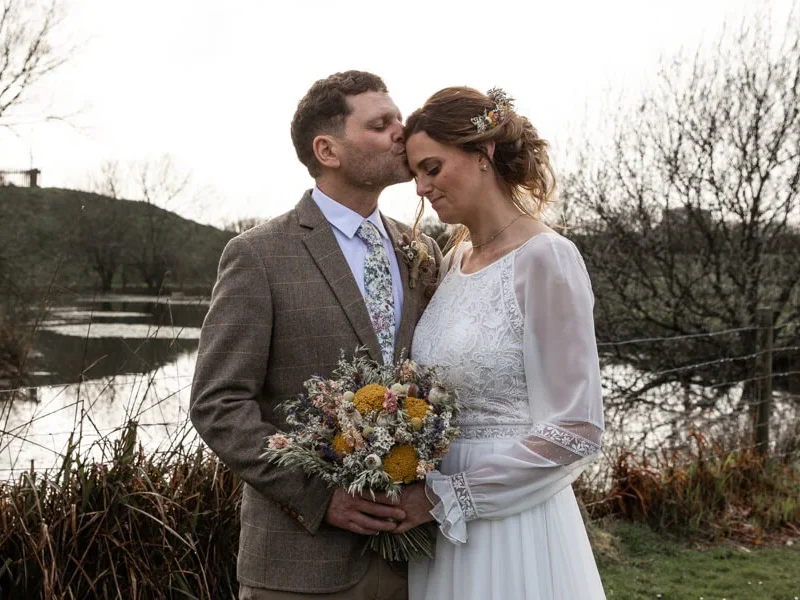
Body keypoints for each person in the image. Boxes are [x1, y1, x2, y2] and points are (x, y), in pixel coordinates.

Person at [190, 71, 441, 600]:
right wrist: (318, 496)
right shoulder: (258, 255)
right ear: (328, 150)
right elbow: (218, 404)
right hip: (299, 566)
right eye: (381, 124)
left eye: (398, 118)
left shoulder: (422, 250)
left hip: (415, 561)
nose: (402, 130)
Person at [395, 87, 606, 599]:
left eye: (432, 168)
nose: (421, 188)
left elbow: (576, 428)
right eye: (416, 174)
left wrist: (453, 495)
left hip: (511, 522)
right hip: (440, 521)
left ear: (483, 152)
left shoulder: (546, 258)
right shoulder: (453, 261)